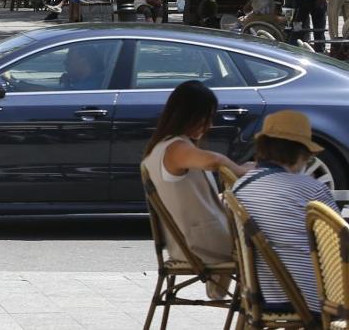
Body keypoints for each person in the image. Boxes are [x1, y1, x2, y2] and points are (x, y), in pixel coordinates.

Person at [142, 82, 250, 297]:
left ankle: (248, 301)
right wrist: (240, 170)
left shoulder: (164, 147)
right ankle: (263, 305)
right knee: (269, 243)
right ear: (189, 116)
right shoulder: (175, 148)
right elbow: (214, 160)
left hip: (189, 240)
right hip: (199, 244)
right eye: (205, 118)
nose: (209, 125)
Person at [232, 111, 336, 314]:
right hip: (312, 296)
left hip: (262, 292)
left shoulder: (240, 186)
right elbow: (338, 243)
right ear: (301, 153)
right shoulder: (311, 188)